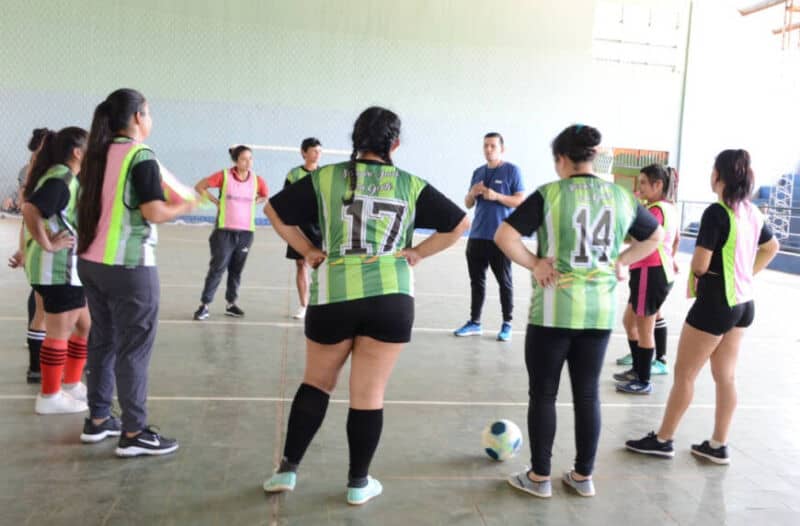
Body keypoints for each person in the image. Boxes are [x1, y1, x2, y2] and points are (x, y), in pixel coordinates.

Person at [262, 106, 468, 505]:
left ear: (356, 141)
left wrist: (307, 249)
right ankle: (358, 482)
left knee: (316, 383)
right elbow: (458, 224)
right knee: (368, 393)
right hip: (391, 295)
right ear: (394, 144)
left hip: (334, 293)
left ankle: (287, 471)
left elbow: (273, 210)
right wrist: (418, 253)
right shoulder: (410, 183)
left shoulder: (326, 177)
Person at [494, 124, 662, 498]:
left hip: (554, 310)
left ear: (561, 159)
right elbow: (655, 236)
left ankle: (539, 478)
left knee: (544, 394)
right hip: (599, 312)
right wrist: (624, 260)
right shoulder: (621, 197)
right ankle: (583, 476)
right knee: (587, 394)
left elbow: (504, 236)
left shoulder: (550, 194)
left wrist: (534, 264)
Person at [626, 149, 779, 464]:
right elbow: (771, 247)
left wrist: (708, 272)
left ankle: (664, 439)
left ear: (719, 176)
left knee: (685, 374)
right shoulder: (753, 211)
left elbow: (699, 264)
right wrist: (745, 274)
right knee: (726, 376)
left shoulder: (717, 213)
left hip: (715, 304)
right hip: (743, 303)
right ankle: (718, 444)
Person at [76, 88, 196, 456]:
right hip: (128, 266)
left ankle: (97, 419)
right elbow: (154, 211)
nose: (151, 119)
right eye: (150, 112)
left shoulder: (96, 155)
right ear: (138, 117)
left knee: (103, 340)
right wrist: (184, 208)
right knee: (133, 347)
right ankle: (134, 432)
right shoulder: (140, 156)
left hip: (91, 262)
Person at [21, 127, 91, 414]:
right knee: (60, 331)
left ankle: (72, 383)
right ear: (77, 152)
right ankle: (49, 396)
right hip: (57, 269)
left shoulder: (66, 178)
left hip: (66, 269)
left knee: (85, 325)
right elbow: (30, 209)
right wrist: (48, 243)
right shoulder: (61, 179)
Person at [614, 164, 680, 394]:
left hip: (650, 272)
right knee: (629, 322)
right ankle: (638, 367)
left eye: (643, 182)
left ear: (658, 185)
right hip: (654, 270)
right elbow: (676, 239)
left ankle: (643, 380)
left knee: (644, 328)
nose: (639, 187)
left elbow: (635, 237)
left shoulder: (654, 211)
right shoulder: (668, 208)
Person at [454, 132, 524, 341]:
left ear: (502, 148)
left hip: (500, 238)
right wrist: (471, 194)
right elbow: (468, 204)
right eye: (486, 146)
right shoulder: (478, 172)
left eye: (493, 146)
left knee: (505, 282)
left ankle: (507, 324)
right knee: (477, 282)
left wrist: (496, 196)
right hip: (477, 236)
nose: (488, 149)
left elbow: (520, 200)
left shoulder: (512, 171)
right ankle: (475, 322)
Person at [192, 145, 268, 320]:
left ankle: (231, 304)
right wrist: (216, 202)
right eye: (243, 159)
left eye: (250, 158)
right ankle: (204, 305)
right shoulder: (224, 176)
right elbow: (200, 187)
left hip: (246, 232)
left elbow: (265, 195)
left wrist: (257, 201)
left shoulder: (257, 180)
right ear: (235, 161)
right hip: (224, 231)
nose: (248, 162)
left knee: (236, 270)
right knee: (217, 268)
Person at [8, 128, 50, 383]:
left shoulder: (36, 173)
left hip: (36, 246)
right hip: (44, 248)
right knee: (43, 305)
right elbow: (28, 214)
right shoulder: (44, 176)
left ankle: (38, 348)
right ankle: (38, 362)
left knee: (39, 298)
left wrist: (24, 249)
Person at [283, 137, 323, 320]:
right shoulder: (294, 174)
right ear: (304, 152)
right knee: (301, 264)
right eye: (314, 151)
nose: (317, 154)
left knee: (321, 266)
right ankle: (304, 305)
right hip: (300, 226)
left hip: (320, 227)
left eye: (319, 151)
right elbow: (286, 199)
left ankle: (321, 305)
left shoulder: (324, 174)